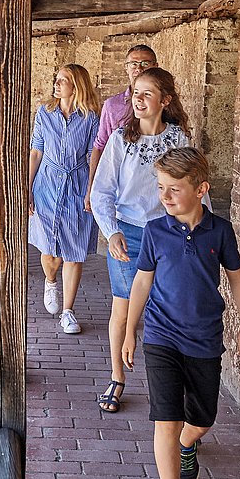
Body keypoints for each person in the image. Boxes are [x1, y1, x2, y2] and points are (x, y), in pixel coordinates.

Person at [120, 147, 240, 479]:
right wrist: (131, 330)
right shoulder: (155, 231)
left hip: (204, 339)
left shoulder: (220, 231)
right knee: (166, 419)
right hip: (161, 336)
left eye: (174, 189)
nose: (164, 196)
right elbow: (142, 283)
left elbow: (237, 280)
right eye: (160, 187)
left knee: (201, 418)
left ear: (201, 189)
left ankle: (188, 445)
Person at [90, 67, 195, 412]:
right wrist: (112, 232)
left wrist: (196, 231)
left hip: (169, 234)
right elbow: (102, 190)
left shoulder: (178, 140)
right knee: (124, 310)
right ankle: (117, 377)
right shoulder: (122, 139)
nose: (138, 99)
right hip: (130, 233)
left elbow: (193, 190)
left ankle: (163, 385)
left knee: (166, 310)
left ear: (165, 101)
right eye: (135, 92)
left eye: (147, 93)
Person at [28, 64, 102, 334]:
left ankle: (68, 311)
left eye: (63, 80)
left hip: (76, 183)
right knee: (49, 251)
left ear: (77, 85)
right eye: (56, 79)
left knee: (73, 251)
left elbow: (95, 154)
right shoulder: (44, 113)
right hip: (46, 184)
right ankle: (50, 281)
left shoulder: (91, 118)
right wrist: (27, 187)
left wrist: (91, 189)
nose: (56, 84)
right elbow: (36, 151)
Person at [86, 44, 158, 212]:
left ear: (155, 66)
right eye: (133, 63)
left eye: (145, 63)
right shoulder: (113, 106)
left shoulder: (164, 104)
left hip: (155, 192)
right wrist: (92, 188)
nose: (138, 68)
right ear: (126, 68)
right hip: (122, 193)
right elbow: (99, 146)